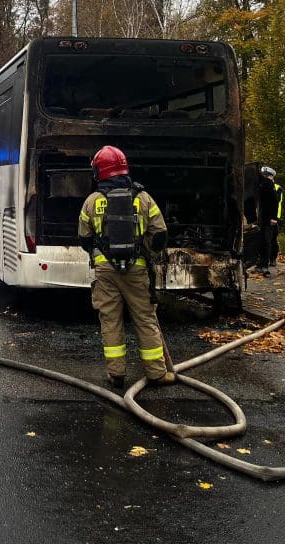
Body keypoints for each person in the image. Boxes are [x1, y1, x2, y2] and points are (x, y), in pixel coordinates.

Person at [78, 145, 172, 390]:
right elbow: (160, 233)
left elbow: (84, 238)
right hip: (137, 270)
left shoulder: (92, 201)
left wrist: (99, 255)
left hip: (105, 272)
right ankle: (157, 373)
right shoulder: (143, 198)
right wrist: (148, 253)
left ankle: (116, 373)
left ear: (99, 171)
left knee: (110, 320)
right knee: (145, 319)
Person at [257, 166, 280, 276]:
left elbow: (274, 202)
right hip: (265, 217)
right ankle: (262, 264)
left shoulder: (268, 184)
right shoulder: (268, 184)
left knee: (266, 241)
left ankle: (264, 265)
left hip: (268, 218)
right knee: (264, 241)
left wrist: (274, 218)